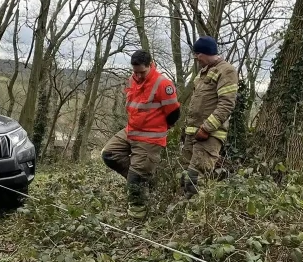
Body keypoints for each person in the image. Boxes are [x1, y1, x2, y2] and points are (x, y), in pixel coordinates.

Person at [101, 50, 180, 218]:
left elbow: (174, 113)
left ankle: (137, 218)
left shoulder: (163, 84)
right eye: (135, 71)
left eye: (141, 72)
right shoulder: (132, 79)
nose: (138, 75)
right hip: (131, 131)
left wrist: (159, 128)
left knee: (135, 180)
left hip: (150, 137)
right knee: (109, 154)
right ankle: (146, 179)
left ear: (151, 65)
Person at [181, 36, 238, 197]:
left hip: (208, 135)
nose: (196, 60)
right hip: (192, 134)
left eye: (197, 56)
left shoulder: (226, 71)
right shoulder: (202, 73)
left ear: (202, 54)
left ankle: (193, 218)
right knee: (184, 178)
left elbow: (226, 104)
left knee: (195, 180)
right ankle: (181, 216)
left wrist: (207, 128)